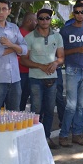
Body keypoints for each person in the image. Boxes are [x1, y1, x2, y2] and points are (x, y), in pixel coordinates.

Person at [22, 8, 65, 149]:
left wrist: (56, 63)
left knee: (50, 109)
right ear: (37, 20)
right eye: (41, 18)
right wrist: (40, 66)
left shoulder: (57, 36)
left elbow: (61, 57)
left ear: (50, 20)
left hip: (52, 78)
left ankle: (46, 138)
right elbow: (23, 60)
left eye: (47, 18)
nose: (44, 21)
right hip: (35, 78)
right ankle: (34, 139)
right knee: (36, 110)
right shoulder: (29, 37)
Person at [58, 0, 83, 147]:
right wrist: (77, 50)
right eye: (77, 12)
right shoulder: (65, 30)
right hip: (72, 70)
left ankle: (77, 134)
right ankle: (63, 135)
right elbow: (60, 52)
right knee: (71, 106)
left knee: (80, 106)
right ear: (74, 13)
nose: (80, 14)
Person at [18, 11, 37, 110]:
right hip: (20, 73)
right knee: (18, 99)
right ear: (29, 21)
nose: (37, 23)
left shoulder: (34, 34)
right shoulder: (18, 34)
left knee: (26, 98)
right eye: (35, 21)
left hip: (32, 72)